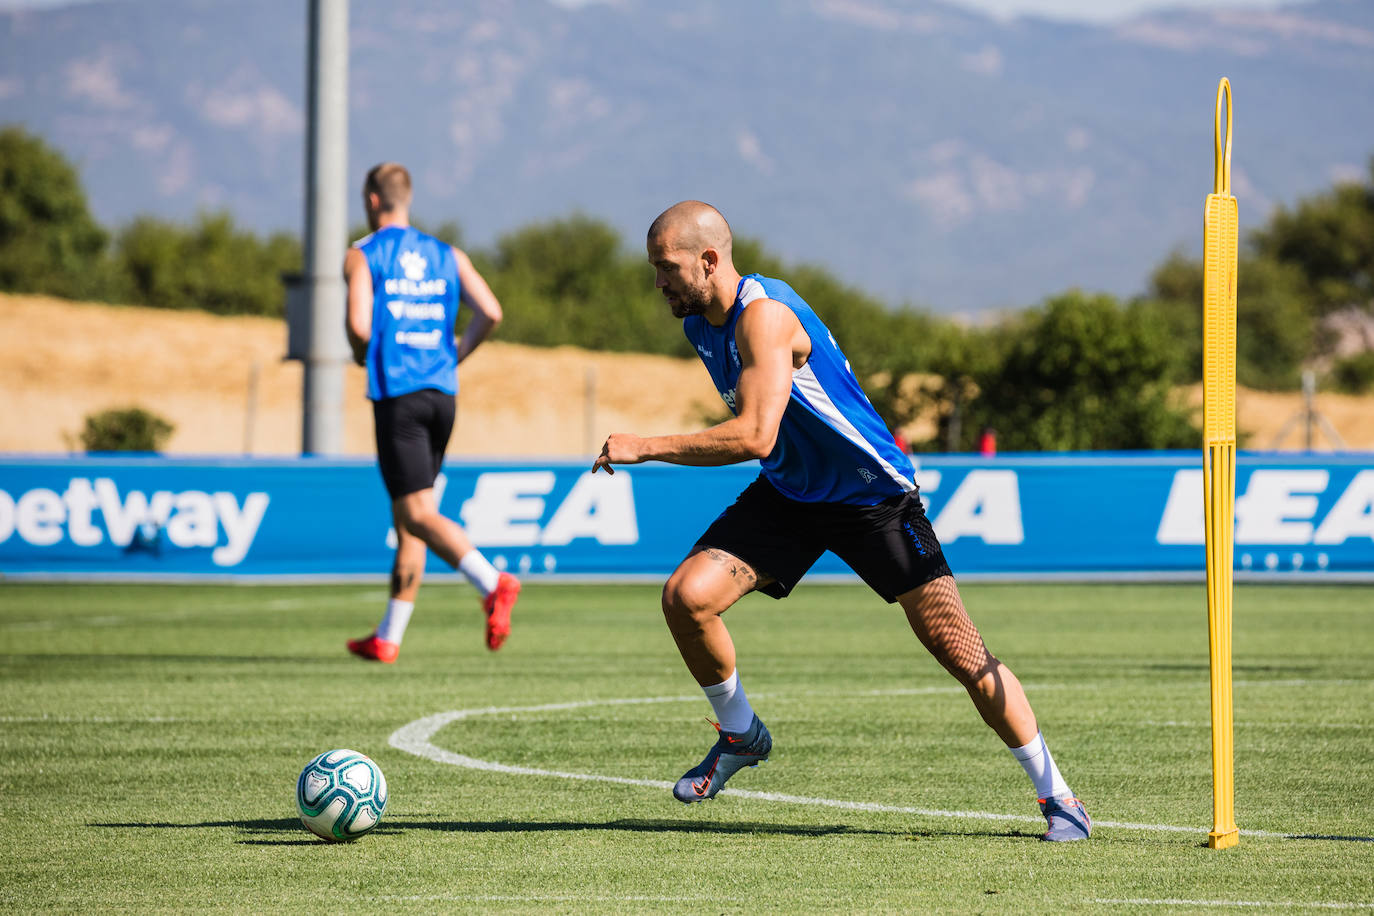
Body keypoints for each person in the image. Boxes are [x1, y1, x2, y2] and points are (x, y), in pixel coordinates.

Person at [592, 201, 1090, 841]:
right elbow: (776, 446)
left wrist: (647, 446)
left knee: (960, 650)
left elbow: (753, 435)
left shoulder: (764, 319)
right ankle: (741, 735)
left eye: (666, 268)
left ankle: (1059, 799)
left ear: (709, 261)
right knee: (687, 597)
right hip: (792, 496)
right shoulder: (700, 326)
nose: (658, 283)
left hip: (871, 498)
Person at [343, 162, 520, 662]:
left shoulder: (362, 255)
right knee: (410, 517)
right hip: (443, 396)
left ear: (372, 200)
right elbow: (492, 311)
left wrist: (362, 354)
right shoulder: (447, 253)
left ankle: (492, 583)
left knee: (417, 513)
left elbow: (359, 328)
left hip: (398, 395)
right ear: (406, 198)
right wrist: (454, 355)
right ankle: (389, 635)